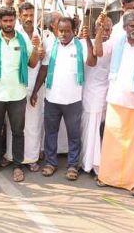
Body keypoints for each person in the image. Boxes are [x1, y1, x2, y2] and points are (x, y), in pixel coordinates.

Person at [32, 17, 96, 180]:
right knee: (51, 133)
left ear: (73, 31)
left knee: (74, 134)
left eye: (68, 31)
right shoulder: (49, 44)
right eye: (61, 31)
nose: (64, 34)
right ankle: (51, 163)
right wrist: (34, 91)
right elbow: (44, 69)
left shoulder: (80, 45)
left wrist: (88, 39)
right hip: (52, 98)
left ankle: (73, 165)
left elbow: (92, 61)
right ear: (56, 30)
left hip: (73, 100)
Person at [97, 11, 134, 197]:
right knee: (113, 141)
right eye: (132, 26)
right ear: (125, 28)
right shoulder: (117, 42)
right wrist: (98, 30)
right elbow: (98, 52)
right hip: (116, 100)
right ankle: (107, 177)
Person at [0, 7, 39, 183]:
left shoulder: (23, 40)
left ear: (15, 20)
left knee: (17, 132)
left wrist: (36, 48)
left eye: (11, 20)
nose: (8, 24)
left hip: (18, 93)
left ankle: (17, 166)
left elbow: (32, 63)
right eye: (5, 21)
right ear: (0, 22)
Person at [4, 3, 46, 172]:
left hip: (36, 86)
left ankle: (31, 158)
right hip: (16, 86)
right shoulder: (15, 35)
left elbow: (45, 65)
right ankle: (12, 156)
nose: (29, 18)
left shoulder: (43, 33)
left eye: (31, 15)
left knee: (33, 123)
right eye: (25, 15)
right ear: (19, 16)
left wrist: (40, 51)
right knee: (14, 124)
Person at [81, 14, 112, 175]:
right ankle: (89, 164)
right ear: (95, 30)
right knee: (90, 130)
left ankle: (101, 162)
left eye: (108, 29)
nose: (105, 32)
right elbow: (92, 59)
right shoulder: (87, 43)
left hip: (107, 93)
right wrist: (89, 38)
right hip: (91, 93)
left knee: (102, 131)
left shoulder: (112, 45)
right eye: (101, 29)